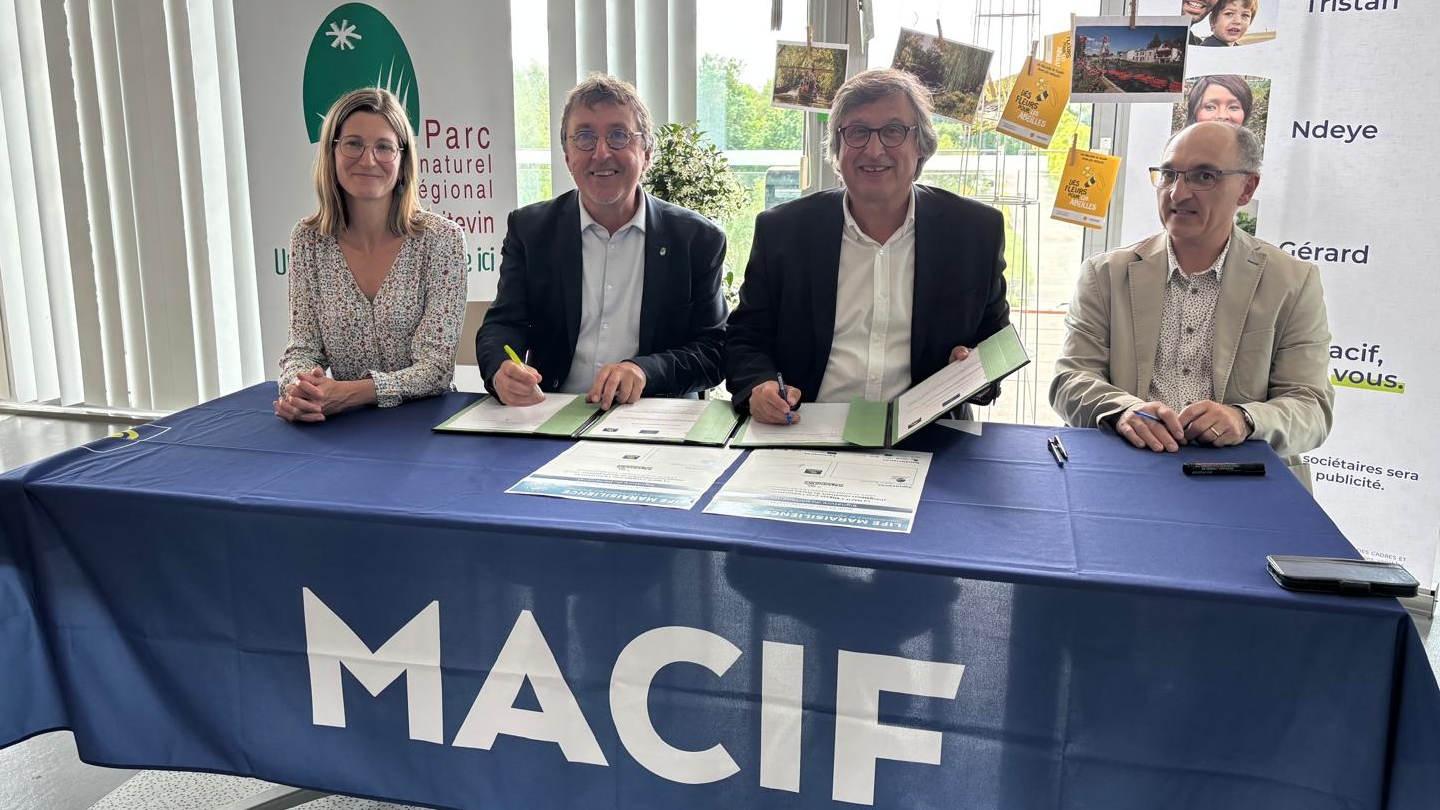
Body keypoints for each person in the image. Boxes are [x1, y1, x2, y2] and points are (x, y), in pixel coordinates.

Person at [1049, 122, 1332, 484]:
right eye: (1168, 174)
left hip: (1242, 480)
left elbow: (1311, 408)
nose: (1177, 193)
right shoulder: (1105, 274)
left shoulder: (1291, 281)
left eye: (1204, 176)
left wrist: (1244, 419)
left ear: (1247, 188)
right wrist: (1124, 411)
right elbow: (1070, 380)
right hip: (1126, 472)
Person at [725, 69, 1009, 424]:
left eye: (893, 131)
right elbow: (745, 338)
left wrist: (974, 373)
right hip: (804, 426)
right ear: (838, 148)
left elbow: (996, 342)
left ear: (920, 145)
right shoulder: (782, 231)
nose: (874, 151)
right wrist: (760, 385)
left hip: (930, 432)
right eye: (857, 132)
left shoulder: (974, 232)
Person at [475, 74, 725, 408]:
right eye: (584, 138)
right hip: (551, 410)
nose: (601, 153)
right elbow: (504, 324)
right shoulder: (531, 230)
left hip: (655, 413)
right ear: (567, 156)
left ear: (647, 153)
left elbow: (713, 350)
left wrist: (644, 371)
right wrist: (501, 370)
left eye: (619, 136)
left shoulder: (696, 239)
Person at [275, 87, 467, 423]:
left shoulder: (441, 240)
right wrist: (300, 390)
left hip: (424, 426)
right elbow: (302, 350)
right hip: (337, 425)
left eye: (384, 147)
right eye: (353, 144)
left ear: (403, 161)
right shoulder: (308, 240)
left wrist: (349, 394)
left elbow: (435, 369)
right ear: (332, 153)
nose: (368, 160)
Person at [1187, 75, 1251, 127]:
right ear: (1194, 112)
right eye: (1210, 107)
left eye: (1233, 107)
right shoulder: (1182, 139)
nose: (1222, 116)